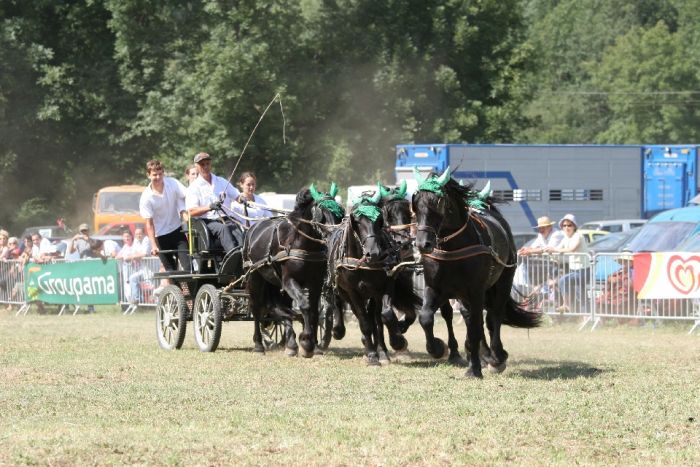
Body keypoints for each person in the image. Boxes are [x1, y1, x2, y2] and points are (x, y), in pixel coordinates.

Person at [139, 159, 191, 273]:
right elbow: (149, 224)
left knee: (188, 267)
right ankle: (178, 290)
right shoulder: (146, 197)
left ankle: (190, 290)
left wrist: (184, 210)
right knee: (171, 271)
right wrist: (153, 245)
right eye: (154, 175)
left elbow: (188, 195)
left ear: (163, 173)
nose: (158, 177)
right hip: (160, 236)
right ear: (148, 175)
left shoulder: (172, 183)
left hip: (177, 232)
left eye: (160, 174)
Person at [186, 152, 242, 253]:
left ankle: (245, 255)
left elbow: (236, 195)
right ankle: (233, 256)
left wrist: (242, 200)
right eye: (202, 164)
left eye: (207, 163)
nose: (205, 167)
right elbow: (191, 211)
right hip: (208, 221)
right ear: (197, 166)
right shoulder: (194, 187)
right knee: (223, 228)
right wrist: (209, 207)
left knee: (238, 227)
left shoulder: (221, 181)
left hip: (226, 218)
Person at [544, 214, 592, 313]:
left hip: (584, 271)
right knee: (581, 296)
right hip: (575, 271)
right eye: (564, 225)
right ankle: (586, 318)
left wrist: (554, 249)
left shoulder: (578, 236)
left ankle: (566, 305)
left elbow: (571, 249)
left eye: (569, 225)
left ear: (574, 226)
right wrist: (549, 251)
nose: (566, 227)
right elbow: (558, 249)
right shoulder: (566, 238)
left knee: (562, 280)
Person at [117, 230, 149, 305]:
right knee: (129, 288)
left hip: (139, 269)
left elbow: (140, 254)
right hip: (130, 271)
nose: (127, 238)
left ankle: (138, 301)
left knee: (133, 283)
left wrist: (131, 257)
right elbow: (118, 256)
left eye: (128, 236)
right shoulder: (126, 246)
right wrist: (125, 257)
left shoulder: (138, 243)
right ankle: (135, 302)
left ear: (131, 237)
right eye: (125, 237)